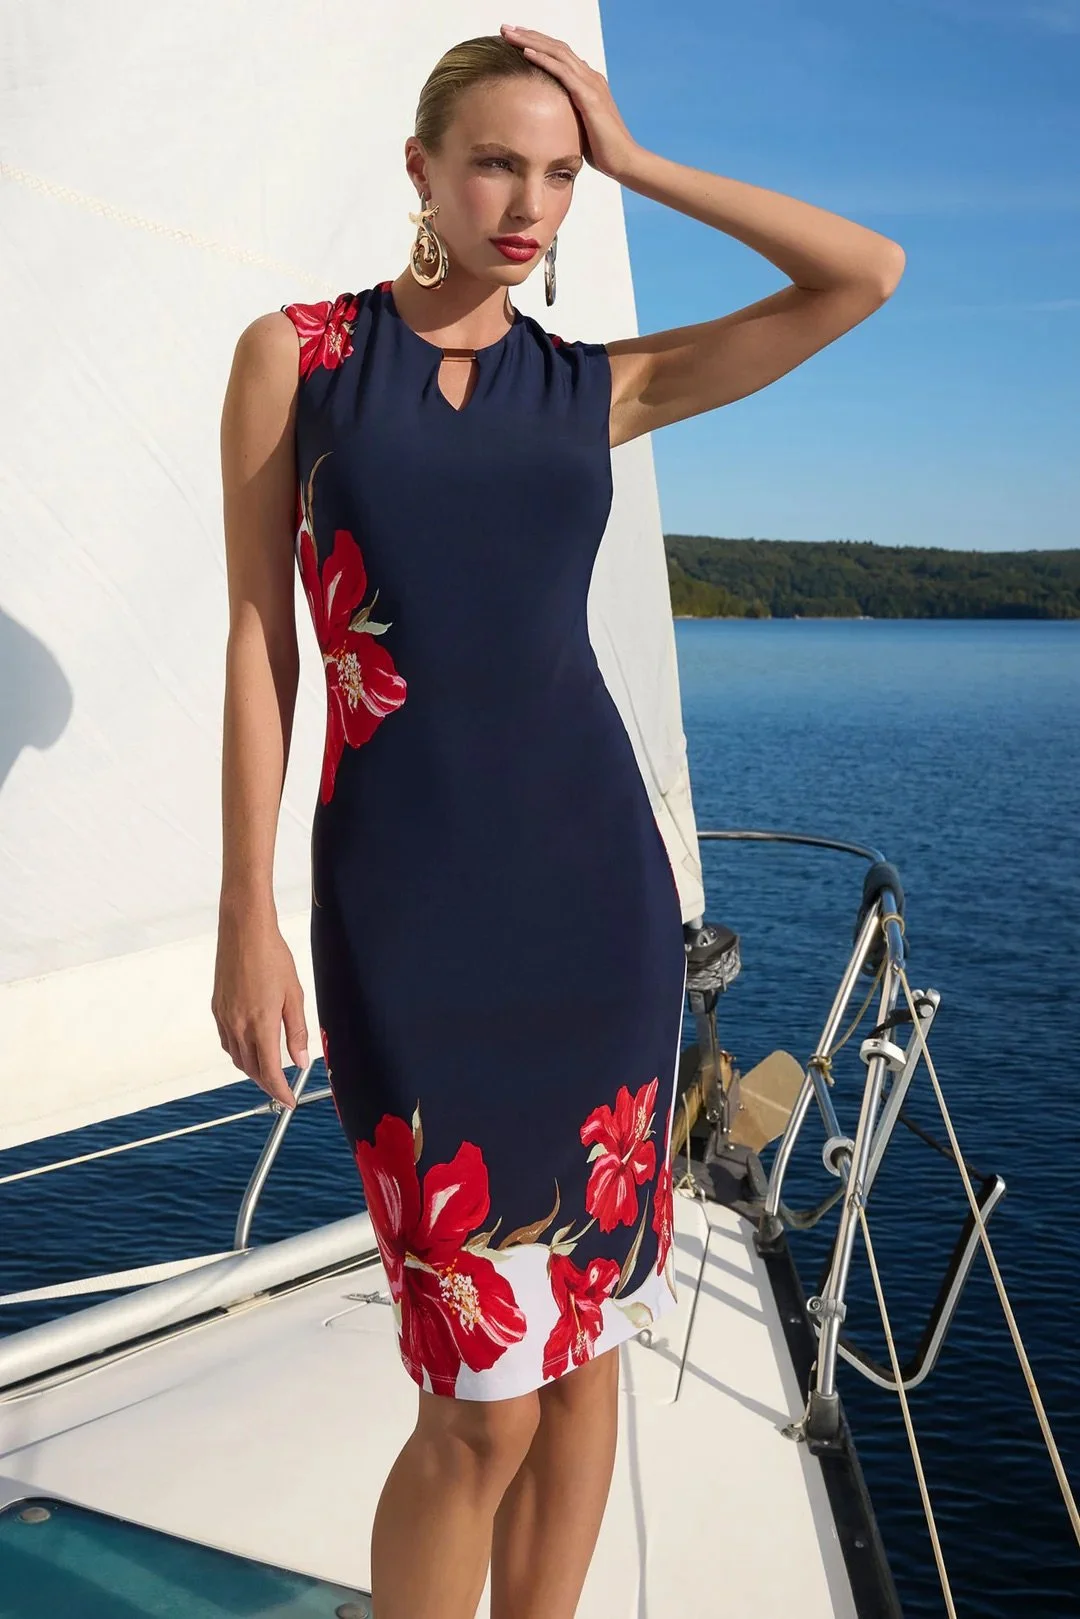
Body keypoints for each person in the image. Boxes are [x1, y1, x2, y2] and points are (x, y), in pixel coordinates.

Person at [212, 23, 904, 1619]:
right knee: (480, 1406)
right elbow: (259, 645)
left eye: (560, 174)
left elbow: (860, 272)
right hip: (404, 915)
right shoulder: (300, 356)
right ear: (422, 172)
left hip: (596, 912)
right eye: (496, 165)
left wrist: (642, 155)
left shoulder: (595, 387)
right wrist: (245, 909)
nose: (528, 202)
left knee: (584, 1355)